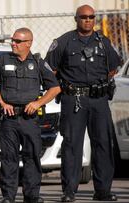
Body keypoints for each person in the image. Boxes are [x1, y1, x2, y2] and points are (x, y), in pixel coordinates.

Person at [45, 5, 122, 202]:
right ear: (76, 18)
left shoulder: (103, 42)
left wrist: (99, 84)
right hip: (74, 100)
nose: (88, 20)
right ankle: (69, 192)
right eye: (84, 17)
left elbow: (113, 67)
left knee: (103, 144)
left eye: (91, 17)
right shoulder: (63, 42)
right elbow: (49, 70)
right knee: (72, 145)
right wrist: (61, 86)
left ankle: (103, 191)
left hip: (99, 100)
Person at [0, 28, 61, 203]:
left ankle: (32, 195)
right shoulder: (3, 60)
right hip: (9, 119)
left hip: (29, 118)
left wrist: (39, 103)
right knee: (8, 157)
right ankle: (8, 196)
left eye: (18, 41)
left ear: (28, 43)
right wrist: (2, 102)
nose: (13, 43)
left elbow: (55, 88)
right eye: (13, 40)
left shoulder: (38, 62)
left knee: (32, 156)